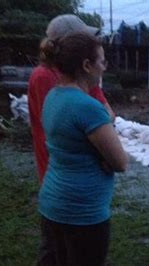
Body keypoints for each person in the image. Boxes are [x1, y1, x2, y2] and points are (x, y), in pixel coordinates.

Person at [38, 31, 128, 266]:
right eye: (102, 61)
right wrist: (108, 126)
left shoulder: (53, 96)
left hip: (52, 204)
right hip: (82, 214)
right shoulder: (87, 107)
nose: (104, 68)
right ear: (87, 65)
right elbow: (121, 162)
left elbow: (70, 145)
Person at [28, 14, 115, 183]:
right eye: (83, 39)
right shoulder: (44, 77)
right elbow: (59, 129)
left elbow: (109, 113)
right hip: (58, 169)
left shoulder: (84, 74)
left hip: (85, 166)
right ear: (68, 44)